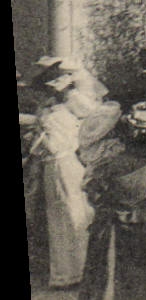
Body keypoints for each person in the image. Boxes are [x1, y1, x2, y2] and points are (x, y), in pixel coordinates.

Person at [80, 103, 146, 300]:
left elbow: (92, 192)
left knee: (107, 275)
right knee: (143, 276)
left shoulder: (108, 164)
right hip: (145, 222)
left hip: (109, 224)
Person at [31, 68, 93, 290]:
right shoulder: (56, 112)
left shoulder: (54, 113)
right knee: (71, 214)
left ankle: (69, 273)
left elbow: (47, 147)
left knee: (67, 215)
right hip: (65, 164)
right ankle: (72, 271)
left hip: (62, 165)